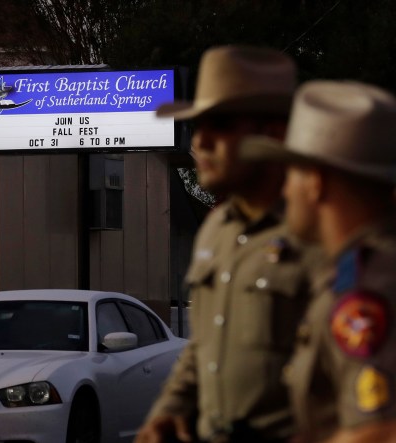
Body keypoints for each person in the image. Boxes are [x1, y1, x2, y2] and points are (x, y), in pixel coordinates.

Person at [135, 46, 321, 443]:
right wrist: (171, 409)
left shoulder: (320, 232)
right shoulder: (216, 227)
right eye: (196, 126)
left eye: (219, 125)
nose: (199, 141)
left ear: (271, 134)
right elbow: (204, 343)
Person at [240, 81, 396, 443]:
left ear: (316, 182)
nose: (284, 190)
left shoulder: (365, 287)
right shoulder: (362, 270)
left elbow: (380, 431)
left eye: (290, 174)